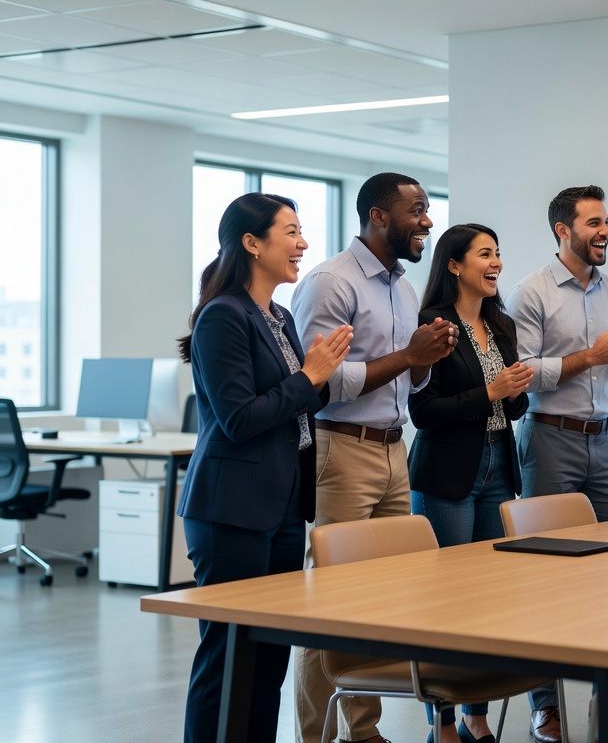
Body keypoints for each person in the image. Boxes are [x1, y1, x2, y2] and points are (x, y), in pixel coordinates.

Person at [176, 193, 353, 743]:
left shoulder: (277, 315)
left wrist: (316, 381)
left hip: (279, 504)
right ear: (252, 243)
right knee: (229, 657)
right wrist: (309, 378)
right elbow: (239, 419)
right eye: (291, 232)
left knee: (269, 659)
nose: (303, 244)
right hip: (231, 507)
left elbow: (296, 403)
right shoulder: (222, 315)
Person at [290, 172, 457, 743]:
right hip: (342, 451)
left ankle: (364, 733)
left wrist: (426, 358)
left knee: (381, 600)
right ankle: (316, 735)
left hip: (393, 451)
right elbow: (321, 383)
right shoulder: (330, 283)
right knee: (330, 602)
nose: (428, 222)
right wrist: (410, 354)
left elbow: (405, 383)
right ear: (378, 216)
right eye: (417, 210)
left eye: (428, 209)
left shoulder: (402, 288)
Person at [505, 185, 608, 742]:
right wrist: (590, 356)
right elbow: (523, 372)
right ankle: (545, 706)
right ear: (562, 230)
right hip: (551, 439)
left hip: (604, 441)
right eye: (594, 222)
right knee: (547, 574)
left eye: (607, 221)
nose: (606, 231)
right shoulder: (530, 292)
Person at [408, 223, 533, 743]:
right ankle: (441, 720)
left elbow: (514, 405)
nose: (496, 262)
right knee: (448, 602)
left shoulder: (500, 325)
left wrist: (514, 390)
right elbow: (422, 411)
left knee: (488, 599)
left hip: (500, 466)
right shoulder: (432, 326)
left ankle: (476, 715)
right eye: (486, 254)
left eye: (499, 253)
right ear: (455, 265)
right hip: (448, 474)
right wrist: (492, 391)